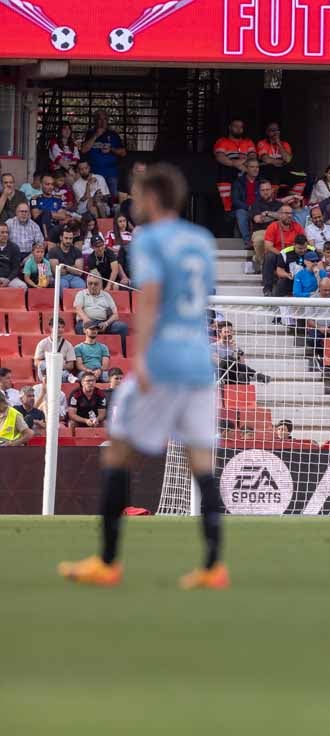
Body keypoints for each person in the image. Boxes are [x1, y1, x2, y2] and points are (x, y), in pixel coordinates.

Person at [57, 164, 228, 590]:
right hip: (199, 363)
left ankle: (107, 561)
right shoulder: (201, 240)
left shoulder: (150, 239)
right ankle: (213, 566)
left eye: (136, 195)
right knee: (201, 463)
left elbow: (150, 297)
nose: (133, 203)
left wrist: (143, 358)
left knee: (116, 452)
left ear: (152, 198)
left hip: (164, 359)